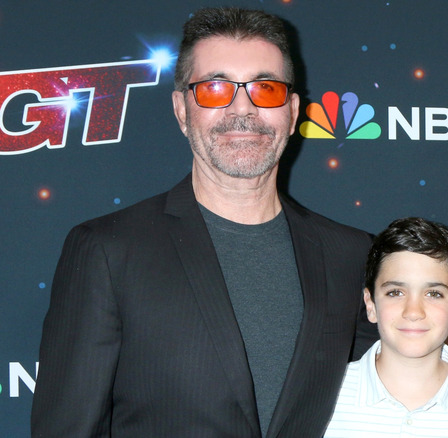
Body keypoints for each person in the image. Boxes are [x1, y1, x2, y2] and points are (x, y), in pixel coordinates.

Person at [31, 7, 376, 438]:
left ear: (291, 111)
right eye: (215, 88)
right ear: (181, 109)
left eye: (264, 88)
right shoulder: (107, 249)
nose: (242, 109)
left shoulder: (352, 253)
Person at [324, 217, 448, 438]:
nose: (413, 311)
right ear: (371, 305)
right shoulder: (328, 393)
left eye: (433, 294)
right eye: (395, 292)